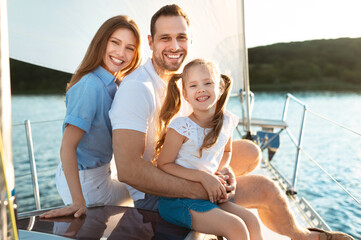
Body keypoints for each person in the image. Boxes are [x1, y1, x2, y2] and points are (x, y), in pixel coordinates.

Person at [110, 4, 354, 240]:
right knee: (264, 188)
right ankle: (303, 237)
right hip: (157, 191)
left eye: (181, 37)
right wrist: (204, 186)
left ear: (190, 40)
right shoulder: (137, 89)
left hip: (187, 168)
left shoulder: (184, 83)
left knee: (250, 151)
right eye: (165, 38)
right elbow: (129, 170)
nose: (174, 45)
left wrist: (223, 171)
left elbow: (207, 136)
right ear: (151, 42)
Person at [40, 15, 142, 219]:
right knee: (144, 191)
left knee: (139, 187)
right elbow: (67, 147)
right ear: (101, 42)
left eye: (130, 48)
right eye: (115, 42)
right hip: (85, 183)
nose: (121, 53)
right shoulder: (90, 86)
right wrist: (78, 202)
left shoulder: (114, 84)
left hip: (98, 175)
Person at [154, 59, 263, 240]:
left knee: (252, 220)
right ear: (185, 94)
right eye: (193, 85)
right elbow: (163, 164)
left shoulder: (226, 122)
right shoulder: (181, 127)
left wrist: (222, 171)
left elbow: (226, 151)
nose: (201, 89)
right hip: (178, 199)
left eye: (208, 83)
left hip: (207, 195)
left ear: (220, 88)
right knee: (236, 228)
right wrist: (204, 177)